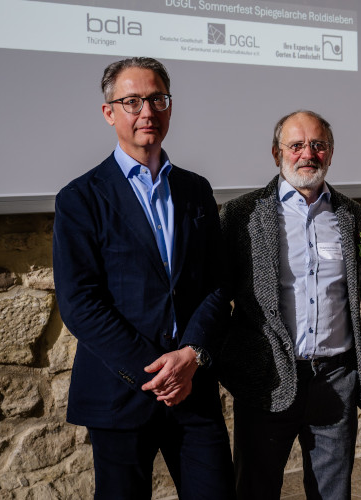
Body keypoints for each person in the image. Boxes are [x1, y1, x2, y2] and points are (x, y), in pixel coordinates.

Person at [52, 57, 235, 499]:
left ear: (169, 107)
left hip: (192, 387)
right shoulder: (80, 199)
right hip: (120, 392)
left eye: (156, 99)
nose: (147, 111)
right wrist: (155, 373)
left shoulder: (196, 190)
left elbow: (217, 284)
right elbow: (81, 304)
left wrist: (190, 356)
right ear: (109, 112)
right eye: (132, 101)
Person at [217, 110, 361, 499]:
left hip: (335, 380)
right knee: (255, 490)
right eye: (296, 145)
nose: (308, 154)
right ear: (276, 153)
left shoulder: (351, 215)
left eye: (318, 145)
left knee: (333, 494)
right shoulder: (242, 215)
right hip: (267, 380)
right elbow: (217, 296)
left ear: (330, 153)